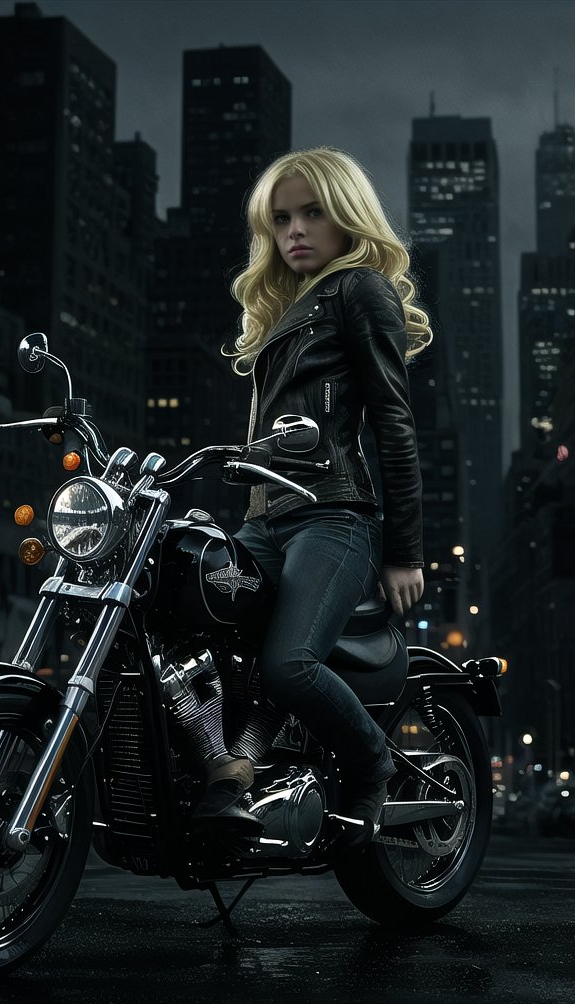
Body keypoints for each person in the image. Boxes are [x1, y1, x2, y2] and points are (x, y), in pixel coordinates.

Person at [198, 147, 431, 840]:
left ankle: (372, 765)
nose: (294, 229)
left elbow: (395, 424)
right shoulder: (284, 313)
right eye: (280, 219)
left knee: (289, 664)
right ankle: (229, 771)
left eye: (311, 212)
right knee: (193, 622)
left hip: (334, 517)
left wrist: (404, 551)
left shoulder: (358, 289)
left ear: (346, 215)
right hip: (267, 521)